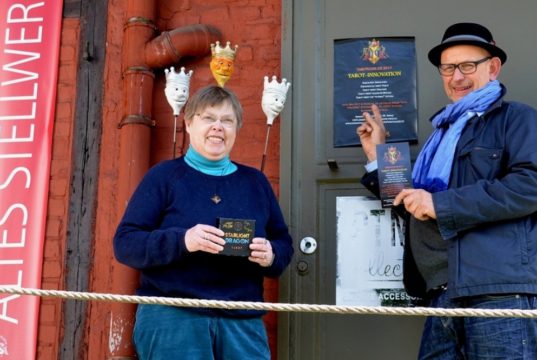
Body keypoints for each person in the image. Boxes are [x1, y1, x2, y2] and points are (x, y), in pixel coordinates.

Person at [357, 22, 537, 359]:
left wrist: (440, 204)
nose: (457, 77)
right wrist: (376, 158)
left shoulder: (518, 119)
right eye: (449, 68)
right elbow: (415, 206)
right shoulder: (441, 134)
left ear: (493, 68)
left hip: (496, 291)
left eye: (468, 66)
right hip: (441, 292)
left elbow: (530, 186)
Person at [113, 85, 294, 359]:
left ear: (236, 129)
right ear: (188, 124)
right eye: (208, 118)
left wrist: (271, 255)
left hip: (241, 320)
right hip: (173, 318)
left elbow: (283, 243)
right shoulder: (164, 177)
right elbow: (126, 243)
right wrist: (183, 240)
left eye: (227, 120)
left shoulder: (255, 182)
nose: (218, 127)